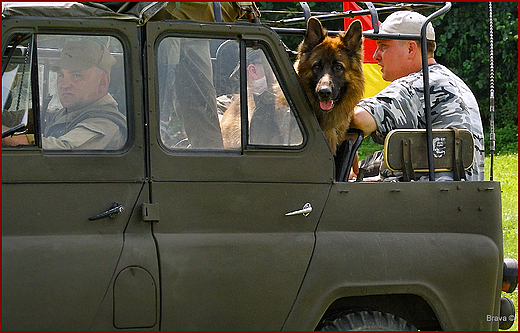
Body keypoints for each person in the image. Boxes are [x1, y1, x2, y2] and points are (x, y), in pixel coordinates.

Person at [350, 11, 485, 181]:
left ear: (410, 49)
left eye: (384, 46)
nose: (375, 55)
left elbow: (358, 119)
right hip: (457, 197)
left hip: (428, 202)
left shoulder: (418, 85)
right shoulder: (451, 81)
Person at [2, 40, 126, 150]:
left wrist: (12, 138)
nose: (64, 85)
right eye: (61, 75)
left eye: (76, 75)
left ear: (102, 82)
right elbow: (30, 117)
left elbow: (60, 150)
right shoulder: (69, 113)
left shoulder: (106, 125)